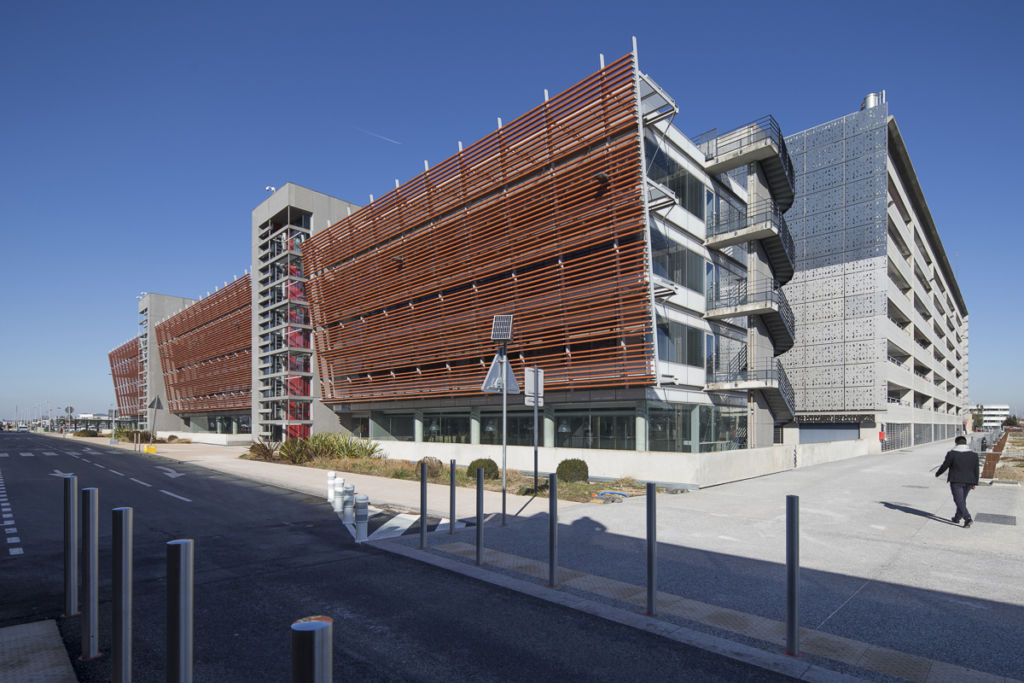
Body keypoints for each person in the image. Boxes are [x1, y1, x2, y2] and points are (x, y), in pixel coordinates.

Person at [935, 435, 980, 528]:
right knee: (962, 501)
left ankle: (967, 519)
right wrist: (975, 482)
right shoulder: (974, 455)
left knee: (959, 500)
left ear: (956, 443)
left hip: (956, 481)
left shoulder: (952, 454)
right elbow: (976, 470)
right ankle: (957, 518)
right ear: (966, 443)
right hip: (969, 481)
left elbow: (945, 465)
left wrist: (938, 473)